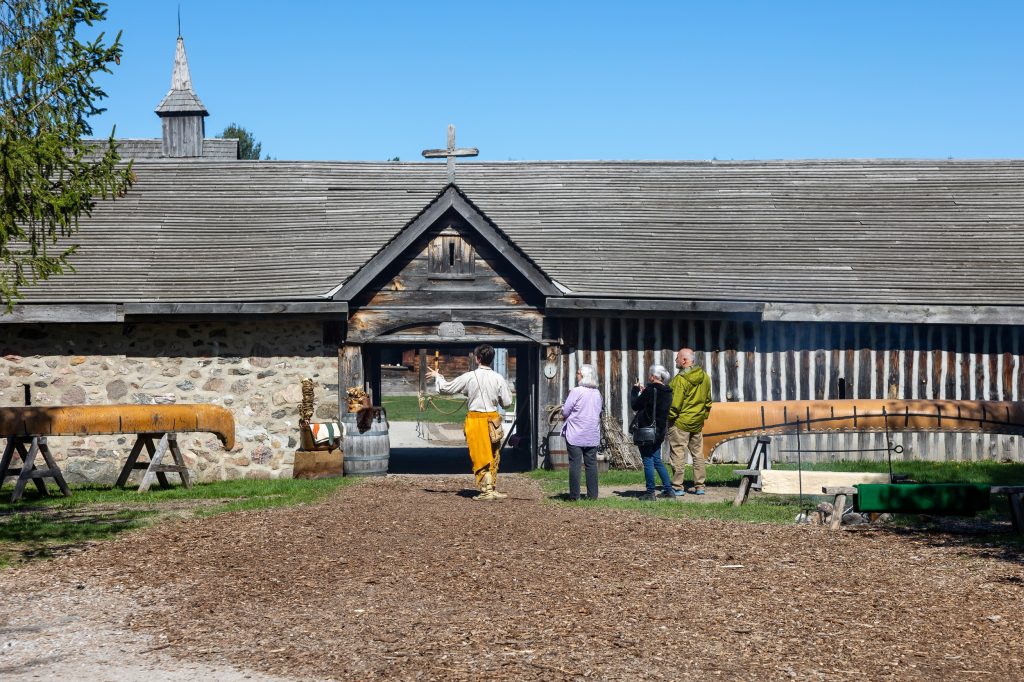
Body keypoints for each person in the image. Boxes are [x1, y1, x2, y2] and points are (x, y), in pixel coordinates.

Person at [427, 344, 513, 501]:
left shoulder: (469, 376)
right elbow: (507, 403)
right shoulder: (498, 378)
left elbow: (446, 389)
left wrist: (437, 376)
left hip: (476, 420)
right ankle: (491, 488)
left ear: (477, 358)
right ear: (491, 359)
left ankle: (487, 491)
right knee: (493, 455)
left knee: (480, 455)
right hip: (493, 419)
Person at [666, 348, 713, 495]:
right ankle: (700, 486)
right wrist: (701, 417)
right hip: (697, 423)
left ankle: (677, 486)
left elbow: (675, 405)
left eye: (677, 358)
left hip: (680, 423)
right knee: (698, 454)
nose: (675, 361)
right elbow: (708, 401)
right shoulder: (705, 377)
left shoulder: (680, 380)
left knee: (678, 454)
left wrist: (668, 418)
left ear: (684, 360)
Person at [630, 364, 678, 501]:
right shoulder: (668, 391)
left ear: (653, 376)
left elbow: (635, 404)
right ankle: (669, 490)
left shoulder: (650, 391)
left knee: (648, 461)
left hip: (647, 430)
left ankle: (650, 492)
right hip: (660, 431)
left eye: (650, 374)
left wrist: (635, 390)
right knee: (657, 461)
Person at [562, 364, 603, 500]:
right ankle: (593, 495)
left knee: (575, 465)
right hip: (591, 433)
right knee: (591, 465)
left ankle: (575, 496)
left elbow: (565, 411)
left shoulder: (576, 391)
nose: (577, 375)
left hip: (576, 433)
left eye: (579, 373)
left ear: (584, 376)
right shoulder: (597, 393)